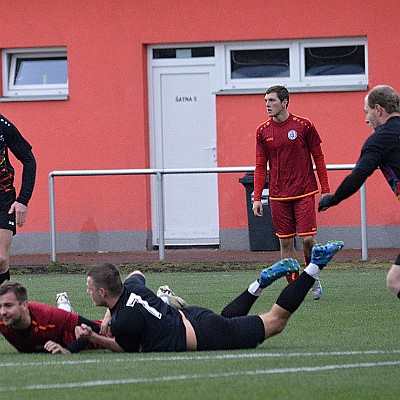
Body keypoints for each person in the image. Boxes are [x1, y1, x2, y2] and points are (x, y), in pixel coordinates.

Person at [75, 241, 344, 353]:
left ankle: (314, 266)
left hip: (200, 334)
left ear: (102, 292)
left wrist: (93, 336)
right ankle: (258, 285)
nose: (87, 293)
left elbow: (123, 347)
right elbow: (136, 272)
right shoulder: (131, 286)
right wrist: (110, 312)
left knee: (276, 322)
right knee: (227, 320)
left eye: (89, 288)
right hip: (195, 317)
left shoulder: (126, 322)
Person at [318, 84, 400, 299]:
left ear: (378, 109)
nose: (366, 119)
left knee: (395, 280)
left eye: (367, 112)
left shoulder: (380, 139)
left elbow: (357, 177)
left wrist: (332, 199)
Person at [252, 85, 331, 300]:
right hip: (278, 195)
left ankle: (312, 277)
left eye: (272, 100)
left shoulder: (304, 125)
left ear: (285, 102)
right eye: (266, 101)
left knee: (307, 239)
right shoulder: (262, 131)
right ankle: (294, 289)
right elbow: (260, 166)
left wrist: (325, 190)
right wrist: (257, 197)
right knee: (285, 243)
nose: (267, 105)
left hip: (304, 191)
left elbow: (319, 158)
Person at [0, 281, 104, 354]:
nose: (3, 312)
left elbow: (94, 327)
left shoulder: (47, 315)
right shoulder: (3, 318)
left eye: (8, 305)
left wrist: (68, 350)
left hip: (107, 333)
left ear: (24, 305)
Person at [0, 115, 36, 285]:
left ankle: (4, 306)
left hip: (3, 198)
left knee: (0, 259)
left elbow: (29, 160)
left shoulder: (2, 125)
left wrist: (23, 200)